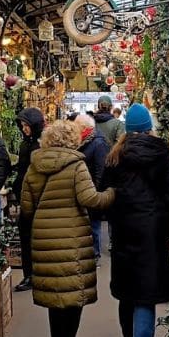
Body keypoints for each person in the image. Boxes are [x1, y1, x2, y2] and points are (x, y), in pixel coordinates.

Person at [20, 121, 115, 337]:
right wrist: (112, 194)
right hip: (72, 237)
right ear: (73, 140)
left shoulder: (34, 167)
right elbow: (90, 198)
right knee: (73, 295)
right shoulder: (76, 165)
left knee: (54, 295)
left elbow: (26, 209)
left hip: (43, 237)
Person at [103, 104, 169, 337]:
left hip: (124, 227)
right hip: (152, 228)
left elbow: (105, 190)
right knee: (146, 286)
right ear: (148, 128)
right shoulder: (161, 153)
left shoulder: (115, 156)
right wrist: (167, 217)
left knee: (127, 284)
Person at [13, 107, 45, 292]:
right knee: (26, 237)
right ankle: (29, 275)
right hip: (25, 199)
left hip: (38, 200)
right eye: (22, 125)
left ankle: (38, 274)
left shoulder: (40, 145)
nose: (24, 129)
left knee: (37, 239)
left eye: (27, 125)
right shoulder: (25, 145)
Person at [74, 113, 110, 265]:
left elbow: (100, 170)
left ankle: (94, 253)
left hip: (93, 190)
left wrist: (95, 191)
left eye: (76, 126)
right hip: (85, 189)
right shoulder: (84, 141)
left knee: (93, 223)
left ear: (84, 128)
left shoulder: (98, 143)